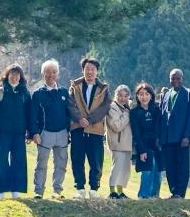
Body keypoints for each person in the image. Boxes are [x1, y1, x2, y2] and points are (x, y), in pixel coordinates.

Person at [0, 63, 35, 199]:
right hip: (2, 134)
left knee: (19, 162)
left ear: (20, 77)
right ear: (7, 76)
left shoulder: (25, 93)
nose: (14, 77)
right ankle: (0, 192)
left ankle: (15, 191)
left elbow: (30, 115)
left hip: (19, 134)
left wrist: (30, 133)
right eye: (12, 74)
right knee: (1, 161)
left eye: (17, 75)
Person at [67, 56, 112, 198]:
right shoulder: (75, 86)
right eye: (87, 69)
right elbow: (70, 105)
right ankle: (80, 188)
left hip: (95, 129)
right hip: (78, 128)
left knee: (96, 161)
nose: (90, 72)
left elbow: (105, 107)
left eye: (93, 69)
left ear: (97, 71)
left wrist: (90, 119)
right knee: (77, 159)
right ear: (83, 70)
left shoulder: (103, 89)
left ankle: (94, 189)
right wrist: (79, 119)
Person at [31, 59, 70, 199]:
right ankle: (38, 191)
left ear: (57, 74)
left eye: (54, 72)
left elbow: (69, 113)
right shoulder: (37, 94)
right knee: (41, 164)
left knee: (61, 164)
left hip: (62, 133)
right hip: (44, 133)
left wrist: (68, 131)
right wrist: (34, 133)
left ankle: (57, 191)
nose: (51, 75)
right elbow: (32, 116)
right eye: (47, 72)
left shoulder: (64, 92)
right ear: (43, 74)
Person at [160, 69, 190, 199]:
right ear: (169, 79)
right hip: (167, 137)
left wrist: (187, 136)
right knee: (170, 166)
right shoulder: (166, 94)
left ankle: (180, 193)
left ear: (182, 79)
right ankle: (173, 191)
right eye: (173, 78)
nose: (175, 81)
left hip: (182, 137)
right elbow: (162, 114)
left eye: (178, 78)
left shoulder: (189, 94)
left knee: (181, 165)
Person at [130, 83, 164, 199]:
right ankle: (143, 195)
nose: (144, 97)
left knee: (158, 169)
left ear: (151, 95)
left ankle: (155, 195)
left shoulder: (157, 110)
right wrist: (141, 150)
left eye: (146, 94)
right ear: (137, 96)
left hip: (157, 144)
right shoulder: (134, 112)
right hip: (143, 144)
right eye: (141, 94)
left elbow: (160, 127)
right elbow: (136, 133)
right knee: (147, 168)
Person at [105, 85, 133, 199]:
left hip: (127, 143)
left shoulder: (127, 107)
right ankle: (112, 192)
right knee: (117, 168)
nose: (123, 98)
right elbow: (116, 126)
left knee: (125, 170)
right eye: (120, 95)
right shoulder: (112, 107)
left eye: (126, 96)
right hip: (117, 143)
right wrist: (127, 113)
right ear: (116, 95)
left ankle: (120, 192)